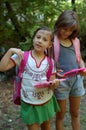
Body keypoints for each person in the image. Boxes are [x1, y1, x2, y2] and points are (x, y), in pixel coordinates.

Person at [0, 26, 60, 130]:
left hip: (46, 101)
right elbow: (2, 67)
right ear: (33, 38)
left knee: (47, 127)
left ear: (50, 45)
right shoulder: (22, 56)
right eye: (38, 37)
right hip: (29, 102)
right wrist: (10, 51)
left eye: (44, 39)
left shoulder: (51, 62)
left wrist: (55, 84)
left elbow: (52, 84)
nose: (40, 41)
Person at [53, 10, 86, 130]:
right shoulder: (52, 40)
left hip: (76, 81)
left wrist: (83, 68)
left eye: (70, 30)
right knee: (60, 115)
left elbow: (79, 59)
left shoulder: (75, 41)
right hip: (61, 82)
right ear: (59, 24)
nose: (66, 32)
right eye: (64, 28)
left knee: (75, 113)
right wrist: (53, 72)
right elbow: (46, 62)